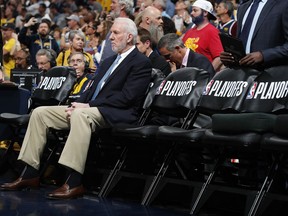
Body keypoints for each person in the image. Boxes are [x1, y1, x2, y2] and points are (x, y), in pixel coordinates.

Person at [0, 17, 152, 200]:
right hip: (90, 109)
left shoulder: (141, 63)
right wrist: (77, 103)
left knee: (80, 115)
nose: (110, 37)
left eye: (115, 33)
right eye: (111, 32)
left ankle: (73, 181)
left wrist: (88, 106)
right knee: (40, 113)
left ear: (129, 37)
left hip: (116, 113)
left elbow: (127, 98)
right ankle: (29, 173)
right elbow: (92, 89)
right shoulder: (108, 61)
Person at [220, 0, 288, 69]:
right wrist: (230, 56)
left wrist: (263, 55)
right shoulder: (242, 8)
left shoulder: (283, 5)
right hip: (243, 74)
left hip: (270, 74)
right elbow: (241, 41)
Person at [182, 0, 223, 72]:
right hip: (188, 76)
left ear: (205, 13)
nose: (191, 13)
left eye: (195, 11)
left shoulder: (212, 32)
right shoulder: (189, 32)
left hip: (202, 78)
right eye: (192, 10)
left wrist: (206, 74)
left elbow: (219, 58)